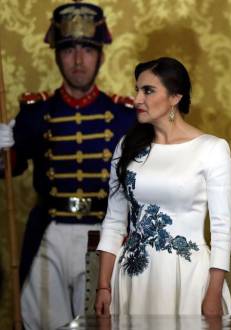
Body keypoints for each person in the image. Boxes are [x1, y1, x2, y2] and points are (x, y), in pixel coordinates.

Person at [0, 2, 136, 329]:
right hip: (49, 233)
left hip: (104, 233)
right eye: (68, 50)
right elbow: (9, 170)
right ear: (56, 56)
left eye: (87, 49)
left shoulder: (125, 116)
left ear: (101, 55)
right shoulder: (34, 112)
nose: (78, 60)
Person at [94, 57, 231, 316]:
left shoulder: (212, 149)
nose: (137, 99)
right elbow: (114, 221)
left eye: (148, 90)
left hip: (188, 278)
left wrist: (213, 292)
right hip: (132, 278)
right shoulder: (126, 147)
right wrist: (103, 287)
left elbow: (222, 230)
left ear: (175, 97)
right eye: (137, 89)